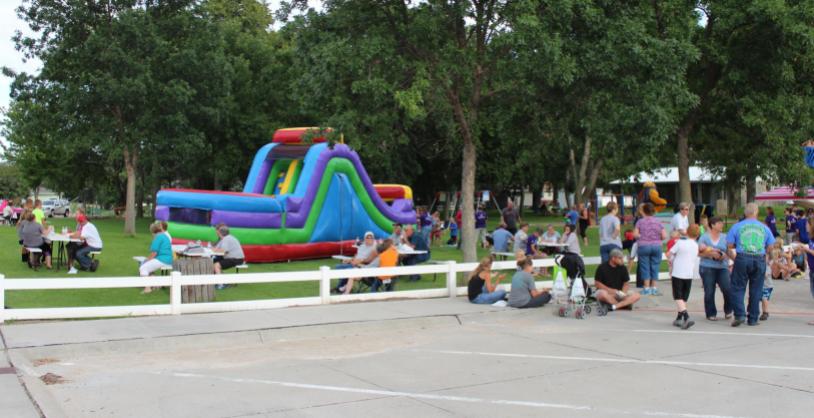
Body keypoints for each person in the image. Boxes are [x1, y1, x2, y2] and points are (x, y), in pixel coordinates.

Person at [726, 202, 776, 327]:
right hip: (759, 258)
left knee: (737, 287)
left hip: (742, 258)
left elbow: (730, 245)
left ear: (745, 213)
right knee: (756, 288)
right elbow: (771, 245)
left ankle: (740, 314)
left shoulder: (737, 226)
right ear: (756, 212)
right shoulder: (764, 227)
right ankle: (753, 318)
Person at [698, 216, 733, 321]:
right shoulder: (704, 237)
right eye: (719, 223)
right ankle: (711, 313)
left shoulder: (725, 237)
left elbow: (729, 252)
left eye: (722, 223)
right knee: (709, 290)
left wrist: (724, 255)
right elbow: (699, 253)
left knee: (727, 288)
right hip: (707, 267)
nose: (722, 225)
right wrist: (711, 254)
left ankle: (728, 310)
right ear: (712, 225)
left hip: (723, 267)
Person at [669, 224, 700, 329]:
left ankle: (686, 316)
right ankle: (679, 317)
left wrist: (672, 260)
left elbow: (669, 253)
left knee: (678, 296)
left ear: (687, 232)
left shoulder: (680, 243)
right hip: (688, 274)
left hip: (678, 273)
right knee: (684, 297)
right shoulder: (696, 245)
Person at [139, 222, 173, 293]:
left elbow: (154, 253)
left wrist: (147, 260)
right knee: (148, 268)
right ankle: (155, 284)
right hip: (168, 259)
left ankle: (147, 288)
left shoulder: (158, 237)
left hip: (162, 259)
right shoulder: (164, 236)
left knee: (143, 268)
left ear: (153, 232)